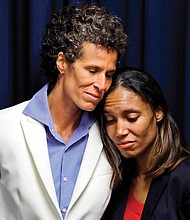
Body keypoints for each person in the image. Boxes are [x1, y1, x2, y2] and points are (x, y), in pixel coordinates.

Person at [0, 3, 127, 220]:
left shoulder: (112, 136)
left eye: (108, 74)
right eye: (92, 70)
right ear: (62, 62)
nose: (102, 84)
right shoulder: (5, 126)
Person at [99, 67, 190, 220]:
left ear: (158, 112)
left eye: (132, 118)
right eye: (110, 120)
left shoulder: (184, 178)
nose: (120, 131)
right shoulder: (118, 180)